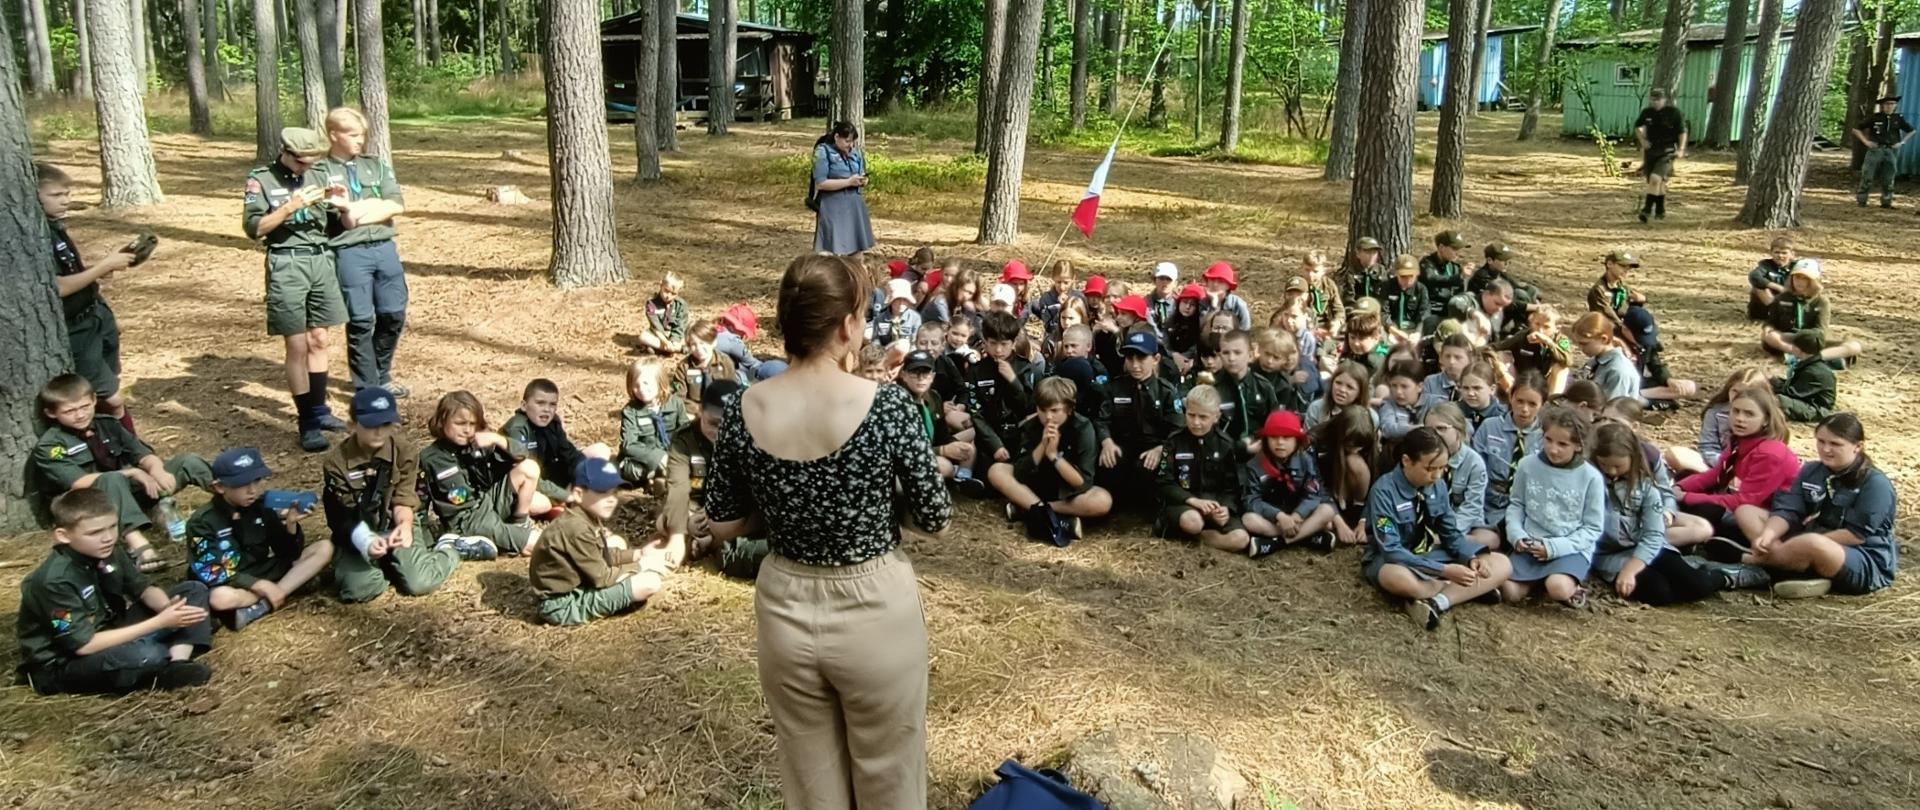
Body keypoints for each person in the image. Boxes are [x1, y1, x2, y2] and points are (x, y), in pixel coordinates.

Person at [703, 254, 952, 809]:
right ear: (846, 326)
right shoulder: (888, 406)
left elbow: (721, 521)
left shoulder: (743, 408)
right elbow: (934, 517)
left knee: (812, 785)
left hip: (785, 604)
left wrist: (781, 501)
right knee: (890, 777)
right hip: (873, 606)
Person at [16, 490, 215, 695]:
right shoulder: (54, 582)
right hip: (66, 662)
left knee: (193, 590)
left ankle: (177, 663)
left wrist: (169, 609)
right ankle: (158, 664)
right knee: (146, 654)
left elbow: (143, 588)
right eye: (94, 533)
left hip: (111, 629)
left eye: (112, 527)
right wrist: (160, 622)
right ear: (63, 536)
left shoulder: (108, 550)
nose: (108, 537)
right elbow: (83, 645)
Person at [33, 374, 213, 572]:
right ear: (51, 413)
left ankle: (234, 497)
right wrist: (131, 473)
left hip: (126, 494)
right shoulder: (51, 445)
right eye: (70, 411)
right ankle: (140, 548)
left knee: (187, 462)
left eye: (84, 407)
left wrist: (157, 470)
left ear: (93, 400)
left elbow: (142, 453)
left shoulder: (107, 425)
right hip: (87, 505)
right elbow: (79, 482)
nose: (80, 415)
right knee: (113, 478)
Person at [245, 127, 350, 452]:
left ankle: (319, 410)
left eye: (311, 163)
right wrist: (289, 207)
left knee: (319, 338)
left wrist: (341, 204)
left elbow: (337, 224)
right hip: (287, 264)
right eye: (301, 163)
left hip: (320, 260)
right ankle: (306, 422)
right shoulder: (262, 179)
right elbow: (253, 228)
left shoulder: (318, 174)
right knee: (297, 345)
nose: (307, 169)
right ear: (286, 153)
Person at [1730, 413, 1898, 598]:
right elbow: (1789, 510)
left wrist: (1803, 544)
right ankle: (1793, 568)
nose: (1826, 449)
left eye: (1835, 444)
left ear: (1857, 447)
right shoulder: (1811, 470)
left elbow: (1856, 535)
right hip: (1805, 539)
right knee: (1746, 511)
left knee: (1812, 543)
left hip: (1857, 556)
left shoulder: (1875, 483)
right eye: (1821, 441)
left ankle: (1750, 561)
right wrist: (1769, 535)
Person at [323, 387, 465, 603]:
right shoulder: (337, 463)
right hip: (358, 529)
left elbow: (404, 497)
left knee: (420, 583)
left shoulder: (404, 452)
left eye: (386, 424)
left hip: (394, 522)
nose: (379, 431)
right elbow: (342, 516)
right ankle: (389, 564)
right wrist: (366, 540)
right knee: (359, 589)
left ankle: (450, 550)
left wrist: (405, 526)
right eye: (371, 425)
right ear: (352, 426)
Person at [1364, 427, 1513, 630]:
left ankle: (1437, 602)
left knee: (1502, 562)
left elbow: (1450, 533)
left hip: (1430, 554)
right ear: (1407, 461)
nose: (1436, 475)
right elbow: (1391, 549)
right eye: (1430, 468)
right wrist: (1444, 571)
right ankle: (1458, 589)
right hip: (1397, 560)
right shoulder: (1383, 492)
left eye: (1442, 468)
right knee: (1396, 578)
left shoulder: (1438, 486)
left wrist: (1471, 559)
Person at [37, 163, 152, 427]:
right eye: (56, 195)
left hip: (96, 315)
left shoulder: (56, 228)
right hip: (76, 327)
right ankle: (127, 449)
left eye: (67, 194)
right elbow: (58, 287)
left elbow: (71, 272)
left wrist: (99, 272)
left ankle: (113, 444)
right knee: (111, 399)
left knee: (109, 386)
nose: (66, 201)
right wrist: (103, 266)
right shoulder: (36, 234)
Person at [1589, 423, 1749, 605]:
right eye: (1604, 465)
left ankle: (1724, 576)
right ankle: (1690, 566)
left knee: (1697, 585)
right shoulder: (1589, 479)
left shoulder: (1647, 487)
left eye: (1618, 466)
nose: (1611, 471)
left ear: (1633, 459)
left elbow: (1654, 534)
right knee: (1659, 593)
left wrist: (1631, 570)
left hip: (1649, 547)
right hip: (1610, 556)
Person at [185, 448, 332, 630]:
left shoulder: (262, 508)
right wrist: (258, 584)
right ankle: (285, 587)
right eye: (241, 484)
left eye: (255, 481)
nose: (252, 490)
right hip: (231, 580)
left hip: (262, 569)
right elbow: (211, 571)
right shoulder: (202, 522)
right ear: (220, 487)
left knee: (324, 548)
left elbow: (288, 554)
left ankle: (263, 604)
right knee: (220, 598)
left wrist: (291, 525)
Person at [318, 107, 410, 397]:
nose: (361, 141)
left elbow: (395, 204)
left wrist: (355, 212)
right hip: (349, 252)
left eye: (363, 135)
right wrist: (371, 208)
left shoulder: (375, 165)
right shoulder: (320, 173)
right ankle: (368, 388)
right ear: (334, 135)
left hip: (383, 246)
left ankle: (382, 374)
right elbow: (330, 216)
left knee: (393, 314)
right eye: (353, 135)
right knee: (360, 321)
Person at [527, 458, 673, 625]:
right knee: (649, 583)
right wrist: (641, 566)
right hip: (560, 605)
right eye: (603, 492)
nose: (612, 499)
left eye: (614, 492)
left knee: (618, 542)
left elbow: (602, 554)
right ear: (579, 494)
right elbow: (602, 577)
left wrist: (639, 554)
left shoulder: (586, 517)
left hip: (577, 585)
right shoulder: (577, 528)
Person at [1500, 404, 1604, 607]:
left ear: (1579, 446)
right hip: (1532, 545)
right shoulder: (1527, 465)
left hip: (1568, 548)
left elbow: (1592, 528)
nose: (1553, 449)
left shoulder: (1591, 478)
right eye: (1548, 440)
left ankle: (1565, 586)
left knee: (1558, 587)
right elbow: (1517, 504)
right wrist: (1516, 534)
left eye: (1563, 444)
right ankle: (1537, 585)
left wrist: (1555, 547)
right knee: (1510, 592)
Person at [419, 391, 545, 557]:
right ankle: (459, 543)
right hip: (467, 520)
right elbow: (418, 505)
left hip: (486, 502)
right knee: (542, 544)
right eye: (460, 423)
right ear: (442, 421)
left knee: (531, 473)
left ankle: (518, 526)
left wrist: (497, 439)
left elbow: (523, 455)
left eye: (472, 424)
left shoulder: (476, 443)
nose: (467, 430)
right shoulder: (430, 459)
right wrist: (425, 545)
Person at [987, 377, 1110, 546]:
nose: (1048, 417)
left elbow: (1083, 482)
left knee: (1102, 500)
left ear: (1068, 408)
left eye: (1054, 410)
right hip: (1034, 486)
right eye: (1042, 410)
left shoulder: (1083, 428)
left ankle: (1031, 511)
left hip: (1065, 494)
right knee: (997, 471)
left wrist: (1054, 456)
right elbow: (1020, 473)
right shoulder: (1031, 426)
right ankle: (1046, 515)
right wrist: (1042, 447)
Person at [1678, 386, 1800, 541]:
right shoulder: (1741, 441)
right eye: (1735, 411)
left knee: (1708, 509)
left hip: (1772, 519)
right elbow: (1716, 475)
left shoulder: (1769, 453)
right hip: (1751, 507)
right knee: (1686, 477)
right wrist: (1678, 488)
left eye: (1749, 414)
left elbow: (1745, 501)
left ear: (1766, 420)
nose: (1740, 418)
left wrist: (1686, 497)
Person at [1156, 386, 1255, 553]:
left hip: (1213, 507)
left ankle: (1197, 538)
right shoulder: (1173, 441)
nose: (1196, 422)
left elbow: (1232, 487)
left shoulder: (1225, 444)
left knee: (1241, 539)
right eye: (1191, 415)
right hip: (1185, 506)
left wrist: (1225, 508)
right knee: (1192, 522)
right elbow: (1163, 482)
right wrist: (1192, 501)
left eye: (1203, 417)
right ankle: (1179, 528)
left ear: (1216, 417)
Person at [1241, 410, 1338, 555]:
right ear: (1266, 440)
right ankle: (1308, 537)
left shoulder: (1306, 460)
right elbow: (1251, 500)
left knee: (1327, 511)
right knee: (1249, 520)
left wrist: (1297, 515)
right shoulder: (1254, 465)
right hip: (1273, 518)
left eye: (1287, 437)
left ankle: (1278, 542)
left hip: (1299, 516)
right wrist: (1279, 515)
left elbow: (1313, 494)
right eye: (1274, 437)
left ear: (1297, 440)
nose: (1280, 442)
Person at [503, 379, 610, 507]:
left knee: (600, 450)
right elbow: (528, 474)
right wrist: (564, 495)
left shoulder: (553, 423)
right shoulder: (517, 429)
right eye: (540, 403)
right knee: (541, 504)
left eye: (552, 404)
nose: (547, 410)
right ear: (524, 406)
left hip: (549, 474)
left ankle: (571, 497)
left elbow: (569, 454)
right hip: (525, 483)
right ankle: (561, 503)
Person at [1474, 370, 1549, 547]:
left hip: (1526, 506)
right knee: (1487, 539)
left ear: (1543, 405)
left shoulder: (1546, 436)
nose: (1524, 409)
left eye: (1532, 404)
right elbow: (1475, 471)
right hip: (1489, 502)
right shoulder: (1490, 427)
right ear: (1510, 397)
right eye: (1519, 401)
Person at [1666, 367, 1768, 475]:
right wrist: (1729, 466)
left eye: (1746, 393)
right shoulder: (1715, 413)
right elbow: (1707, 448)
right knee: (1675, 454)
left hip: (1755, 470)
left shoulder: (1766, 417)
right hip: (1719, 466)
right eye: (1735, 391)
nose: (1738, 397)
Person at [1425, 403, 1496, 549]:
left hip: (1466, 524)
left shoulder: (1474, 463)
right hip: (1431, 519)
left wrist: (1449, 532)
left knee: (1490, 539)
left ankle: (1445, 542)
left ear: (1458, 430)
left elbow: (1472, 507)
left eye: (1441, 428)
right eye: (1429, 430)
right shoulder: (1422, 457)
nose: (1435, 435)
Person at [1760, 263, 1862, 365]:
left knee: (1854, 346)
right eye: (1797, 277)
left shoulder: (1821, 301)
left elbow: (1820, 329)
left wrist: (1806, 336)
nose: (1799, 281)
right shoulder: (1782, 298)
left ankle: (1814, 358)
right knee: (1771, 336)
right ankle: (1803, 356)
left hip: (1811, 340)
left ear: (1813, 281)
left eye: (1805, 278)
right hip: (1788, 339)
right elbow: (1771, 322)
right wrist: (1767, 328)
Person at [618, 357, 688, 488]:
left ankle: (660, 479)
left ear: (660, 382)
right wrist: (658, 457)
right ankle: (660, 478)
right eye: (636, 385)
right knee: (632, 470)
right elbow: (629, 445)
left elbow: (686, 432)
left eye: (646, 383)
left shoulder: (676, 403)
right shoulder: (631, 411)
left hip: (672, 455)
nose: (641, 389)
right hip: (645, 459)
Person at [810, 121, 875, 257]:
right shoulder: (822, 152)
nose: (850, 145)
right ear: (836, 137)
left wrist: (863, 180)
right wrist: (848, 182)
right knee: (831, 251)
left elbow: (861, 172)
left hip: (854, 206)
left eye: (853, 142)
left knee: (857, 250)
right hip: (832, 206)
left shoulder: (856, 154)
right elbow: (821, 183)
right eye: (847, 141)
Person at [1212, 330, 1278, 443]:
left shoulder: (1263, 387)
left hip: (1259, 449)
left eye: (1237, 352)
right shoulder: (1213, 388)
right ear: (1219, 355)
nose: (1231, 358)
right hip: (1225, 452)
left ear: (1250, 355)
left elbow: (1274, 423)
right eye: (1226, 353)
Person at [1634, 87, 1688, 223]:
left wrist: (1681, 149)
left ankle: (1646, 210)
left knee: (1655, 178)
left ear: (1665, 100)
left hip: (1667, 151)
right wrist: (1642, 140)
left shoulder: (1674, 113)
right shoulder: (1647, 113)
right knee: (1658, 182)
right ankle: (1660, 209)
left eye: (1658, 99)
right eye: (1653, 99)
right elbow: (1637, 127)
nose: (1655, 102)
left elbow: (1682, 132)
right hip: (1651, 151)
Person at [1852, 94, 1914, 208]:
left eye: (1892, 104)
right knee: (1867, 175)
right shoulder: (1875, 118)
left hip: (1891, 150)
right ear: (1882, 106)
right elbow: (1856, 129)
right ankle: (1862, 200)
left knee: (1889, 177)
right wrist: (1866, 142)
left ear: (1895, 106)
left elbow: (1911, 131)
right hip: (1875, 150)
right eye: (1887, 104)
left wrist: (1902, 142)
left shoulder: (1898, 118)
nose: (1890, 106)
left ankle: (1886, 201)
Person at [1774, 331, 1838, 423]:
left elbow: (1791, 392)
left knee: (1779, 400)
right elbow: (1794, 385)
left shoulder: (1813, 372)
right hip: (1807, 401)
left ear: (1799, 350)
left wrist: (1772, 384)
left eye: (1794, 346)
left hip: (1817, 410)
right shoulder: (1810, 364)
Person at [1747, 236, 1811, 322]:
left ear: (1792, 254)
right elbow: (1754, 276)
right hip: (1765, 309)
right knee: (1759, 287)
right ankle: (1776, 314)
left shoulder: (1797, 266)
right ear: (1771, 253)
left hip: (1790, 303)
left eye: (1784, 253)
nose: (1780, 256)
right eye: (1777, 252)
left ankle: (1799, 314)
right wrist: (1779, 288)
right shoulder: (1766, 265)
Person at [1305, 361, 1373, 431]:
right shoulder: (1316, 408)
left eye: (1349, 387)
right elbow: (1308, 439)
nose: (1342, 390)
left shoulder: (1371, 418)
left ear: (1360, 393)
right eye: (1338, 383)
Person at [1419, 230, 1471, 317]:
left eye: (1459, 249)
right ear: (1441, 247)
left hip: (1450, 310)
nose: (1457, 253)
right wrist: (1457, 278)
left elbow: (1460, 293)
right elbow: (1431, 278)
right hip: (1431, 310)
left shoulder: (1455, 267)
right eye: (1454, 249)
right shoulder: (1427, 264)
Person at [636, 272, 690, 356]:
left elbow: (680, 326)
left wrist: (674, 341)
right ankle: (678, 349)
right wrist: (665, 341)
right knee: (643, 337)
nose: (668, 296)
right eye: (666, 291)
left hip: (675, 335)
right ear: (661, 285)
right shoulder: (651, 304)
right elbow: (655, 326)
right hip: (659, 334)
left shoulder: (681, 305)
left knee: (692, 333)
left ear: (678, 293)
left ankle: (660, 349)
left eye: (673, 294)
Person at [1375, 361, 1424, 444]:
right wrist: (1418, 428)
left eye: (1404, 386)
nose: (1398, 392)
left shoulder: (1431, 402)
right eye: (1394, 386)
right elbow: (1388, 429)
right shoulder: (1388, 405)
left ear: (1420, 387)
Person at [1381, 255, 1430, 336]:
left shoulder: (1421, 289)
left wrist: (1417, 333)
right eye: (1403, 276)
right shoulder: (1387, 286)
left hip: (1414, 329)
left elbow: (1424, 313)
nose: (1408, 280)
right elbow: (1383, 312)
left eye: (1411, 276)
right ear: (1396, 274)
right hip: (1392, 328)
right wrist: (1392, 330)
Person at [1202, 263, 1253, 332]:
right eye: (1212, 280)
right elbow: (1199, 330)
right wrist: (1214, 307)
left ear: (1228, 285)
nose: (1215, 284)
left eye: (1220, 281)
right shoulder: (1200, 303)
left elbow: (1245, 332)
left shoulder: (1238, 305)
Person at [1339, 236, 1388, 305]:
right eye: (1368, 252)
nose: (1371, 256)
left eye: (1374, 253)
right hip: (1358, 310)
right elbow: (1348, 299)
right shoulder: (1351, 272)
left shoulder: (1381, 271)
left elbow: (1384, 298)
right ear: (1358, 253)